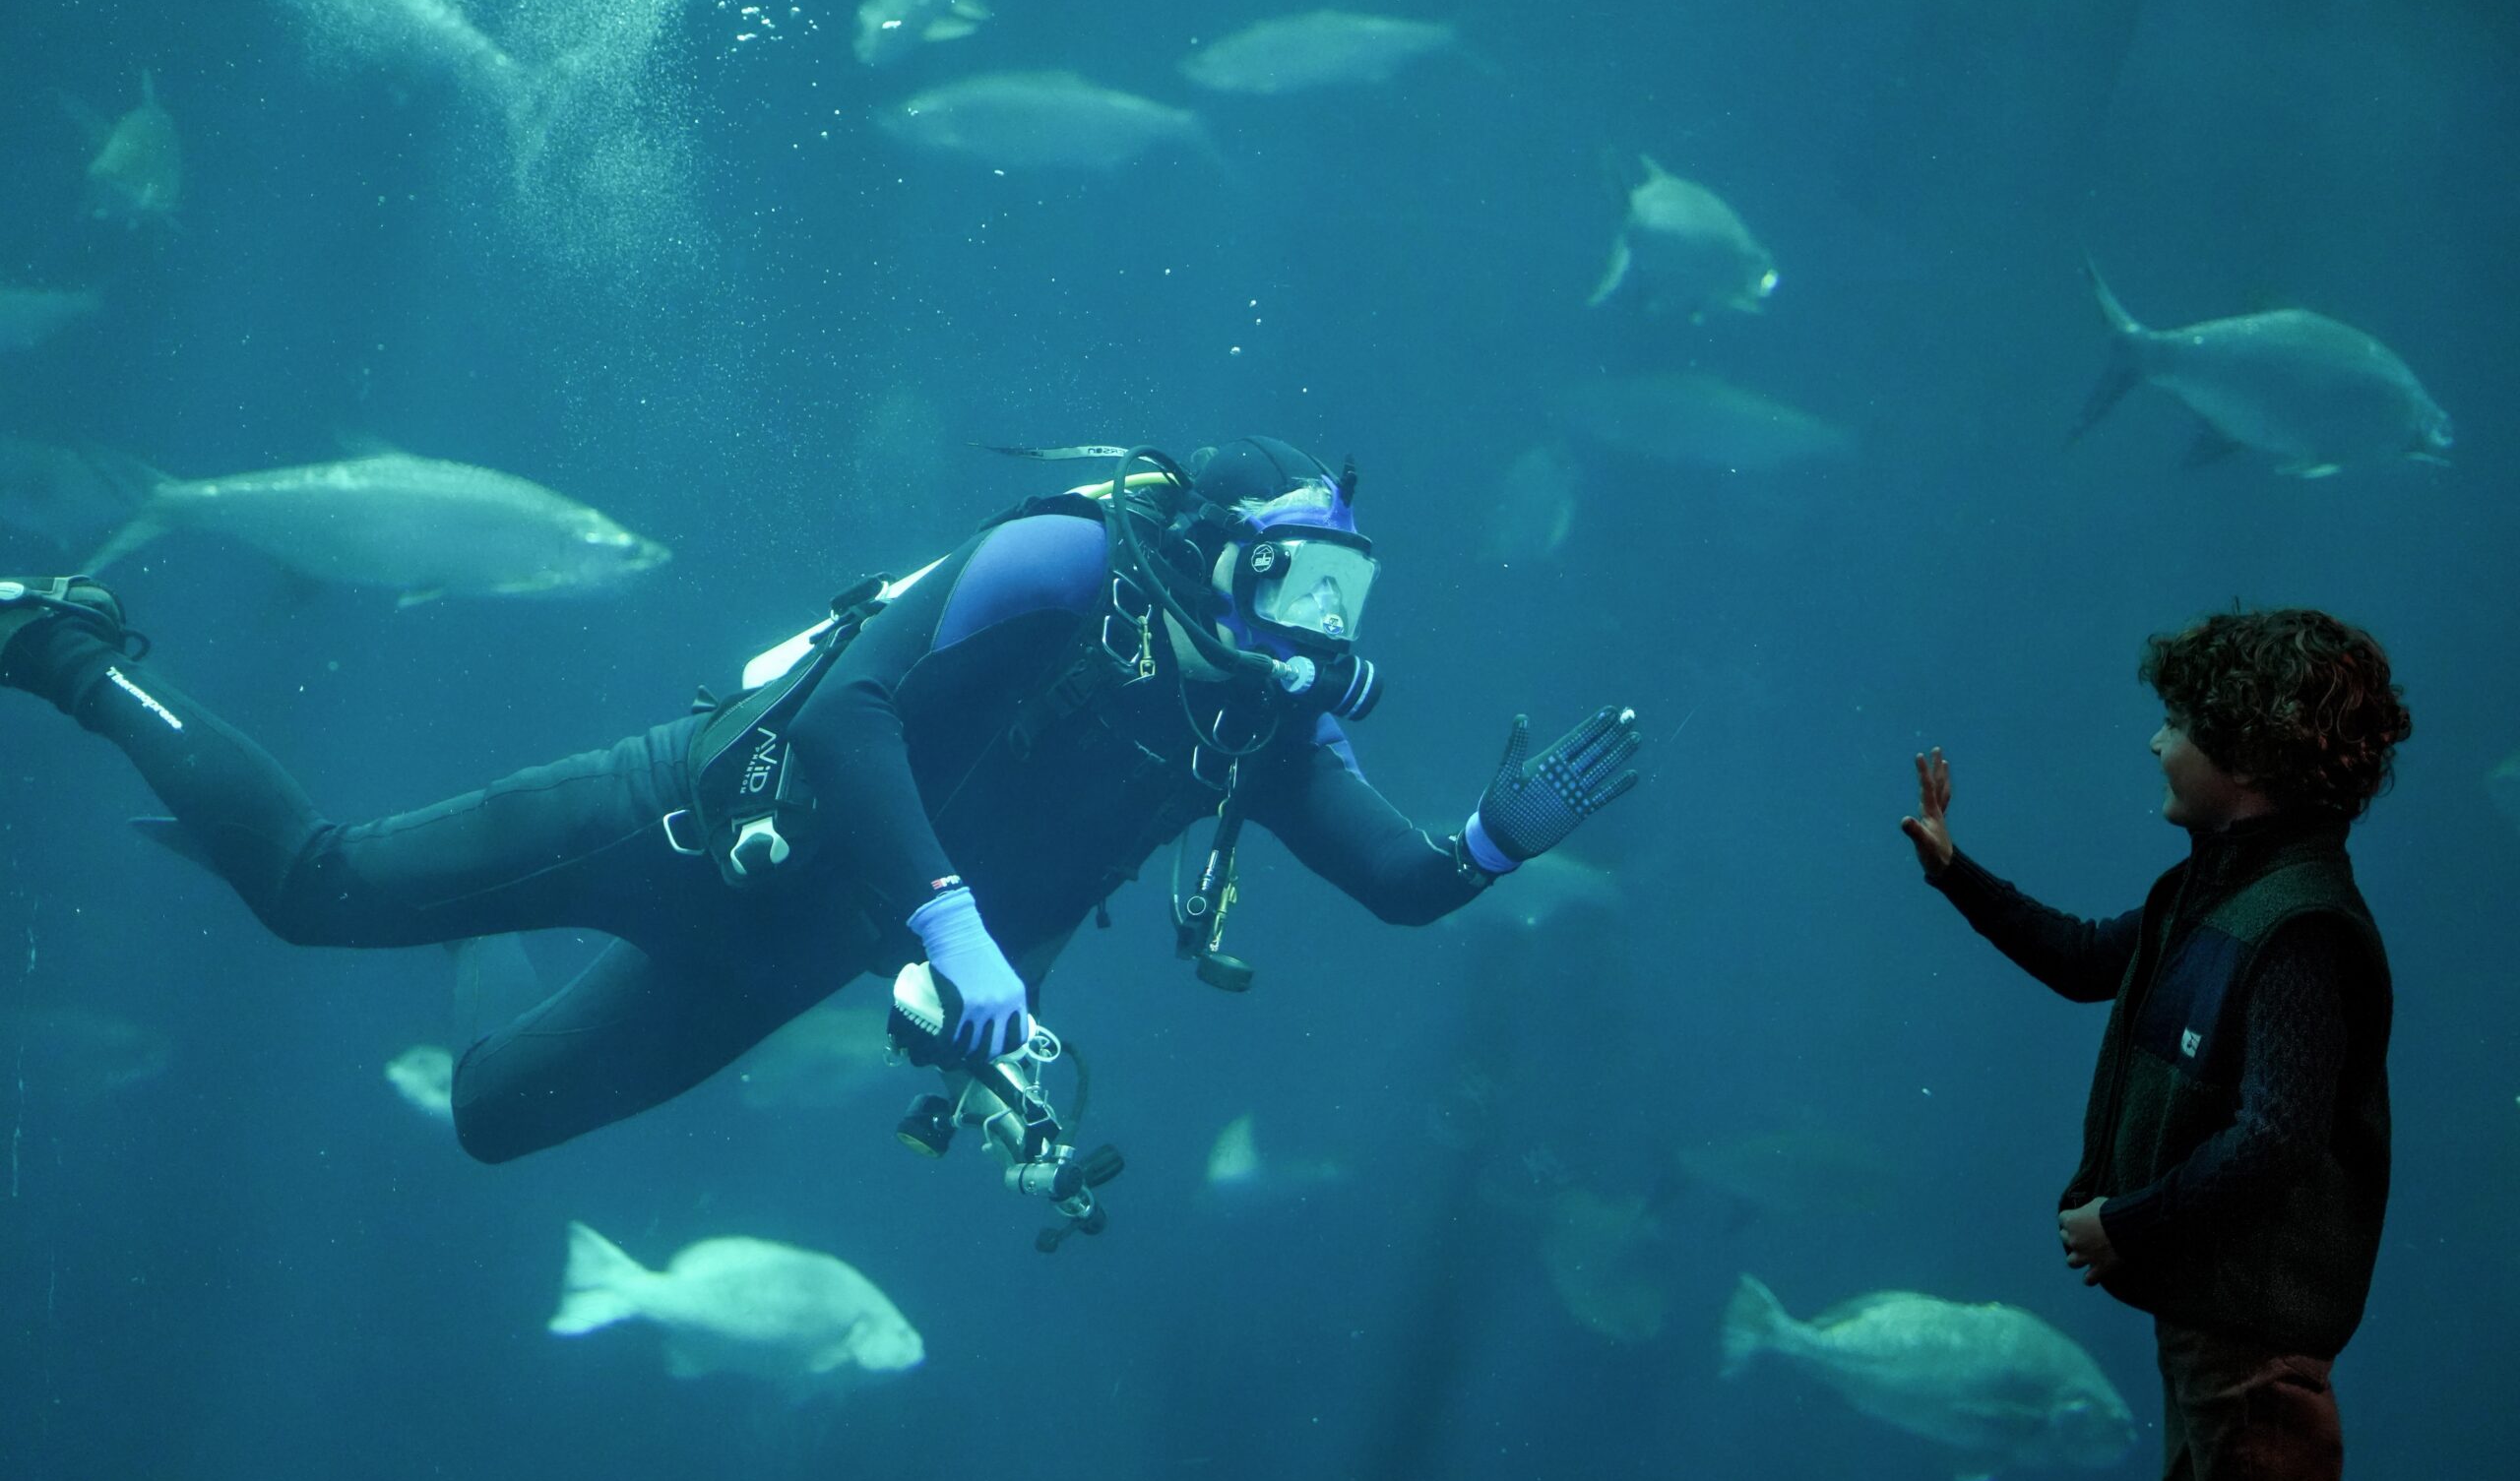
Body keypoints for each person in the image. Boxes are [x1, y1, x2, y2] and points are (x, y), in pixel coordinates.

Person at [1, 438, 1642, 1163]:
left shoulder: (1263, 727)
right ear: (1217, 540)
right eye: (1298, 575)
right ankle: (68, 644)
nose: (1317, 629)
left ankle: (469, 955)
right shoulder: (1075, 555)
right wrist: (952, 925)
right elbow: (853, 712)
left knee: (491, 1116)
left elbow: (1403, 880)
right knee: (314, 887)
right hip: (698, 817)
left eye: (1346, 596)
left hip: (781, 951)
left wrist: (1493, 839)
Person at [1898, 607, 2408, 1481]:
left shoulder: (2300, 924)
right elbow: (2088, 956)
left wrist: (2123, 1223)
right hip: (2205, 1314)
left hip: (2255, 1328)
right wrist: (1955, 872)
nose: (2154, 741)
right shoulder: (2206, 893)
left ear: (2247, 756)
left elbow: (2273, 1137)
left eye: (2175, 722)